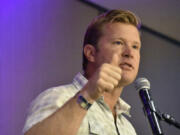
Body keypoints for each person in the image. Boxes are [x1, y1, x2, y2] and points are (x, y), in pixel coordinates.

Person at [23, 9, 141, 135]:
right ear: (91, 53)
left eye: (135, 46)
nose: (130, 53)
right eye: (119, 43)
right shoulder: (60, 97)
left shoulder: (128, 129)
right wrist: (88, 95)